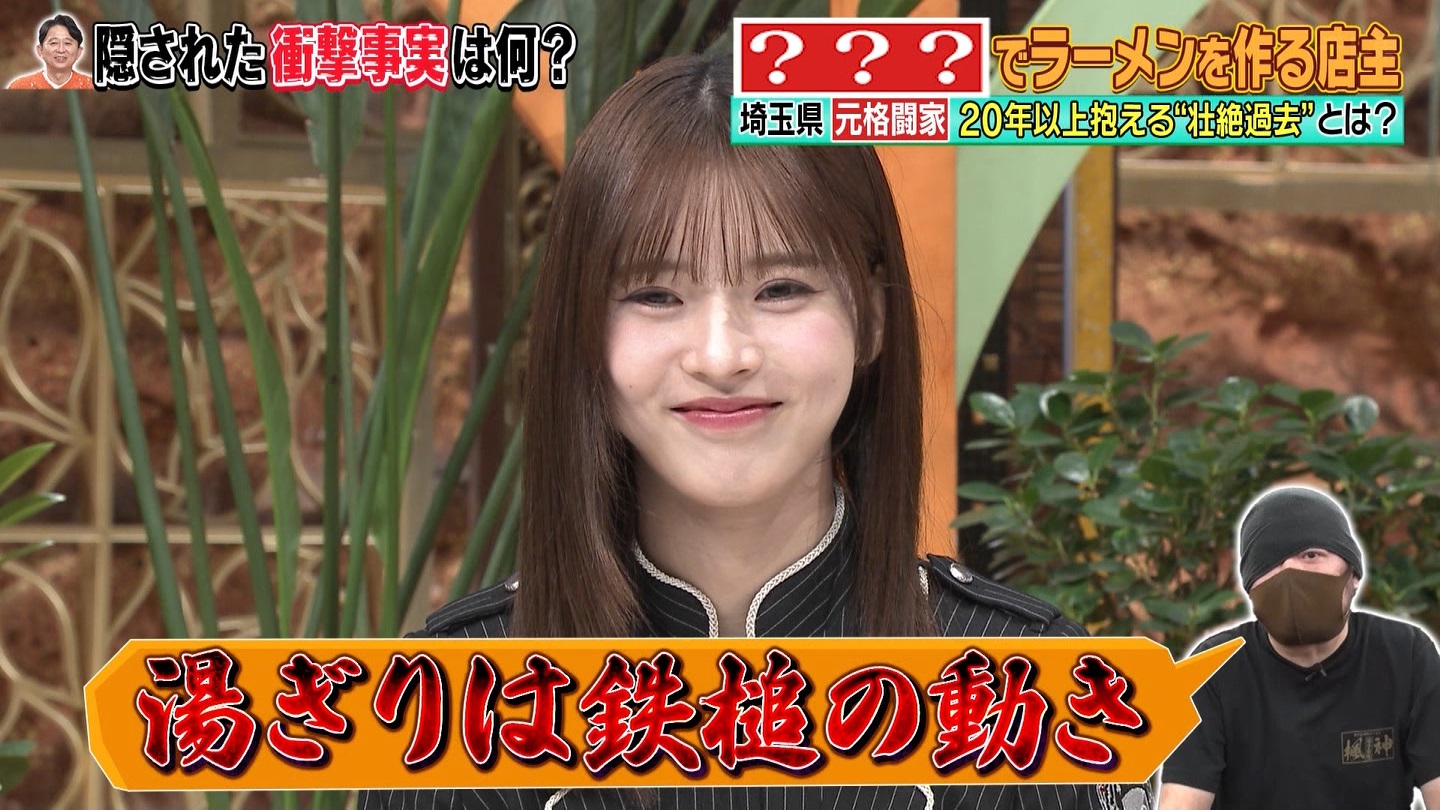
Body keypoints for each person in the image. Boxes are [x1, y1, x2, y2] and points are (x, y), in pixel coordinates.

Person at [359, 51, 1152, 810]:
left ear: (872, 317)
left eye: (780, 288)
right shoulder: (452, 702)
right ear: (582, 333)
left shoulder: (1029, 684)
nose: (721, 356)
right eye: (656, 295)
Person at [1158, 485, 1440, 809]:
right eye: (1271, 562)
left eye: (1311, 555)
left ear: (1352, 574)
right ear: (1250, 587)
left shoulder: (1406, 656)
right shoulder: (1215, 667)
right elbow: (1182, 801)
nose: (1291, 573)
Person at [6, 13, 94, 90]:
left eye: (67, 43)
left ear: (79, 52)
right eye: (53, 43)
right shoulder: (20, 87)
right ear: (40, 50)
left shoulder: (92, 86)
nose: (61, 50)